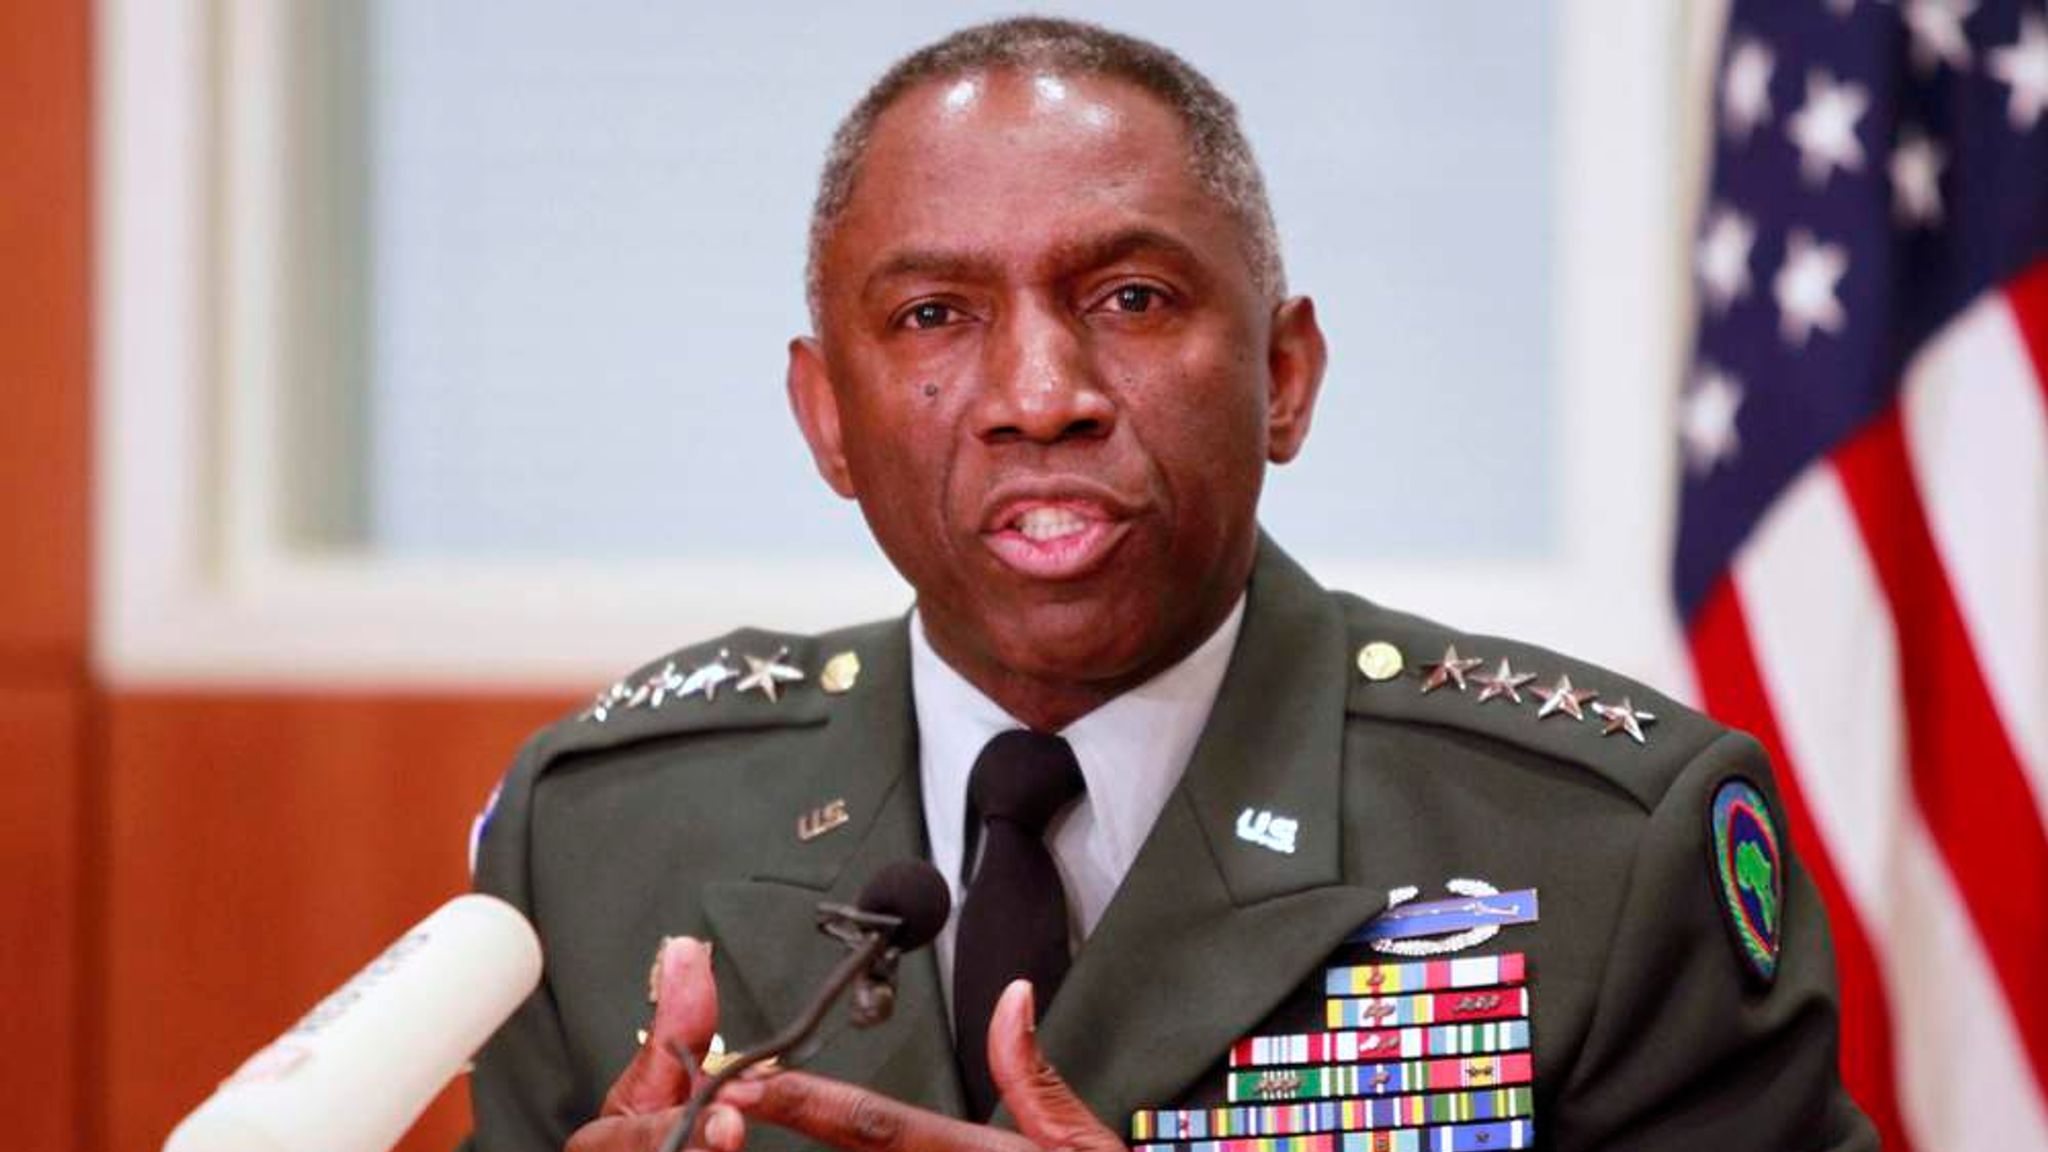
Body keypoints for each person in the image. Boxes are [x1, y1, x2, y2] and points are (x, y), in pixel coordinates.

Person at [466, 17, 1875, 1152]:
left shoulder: (1598, 849)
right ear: (827, 419)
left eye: (1130, 298)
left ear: (1283, 376)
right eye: (934, 315)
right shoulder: (599, 838)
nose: (1040, 396)